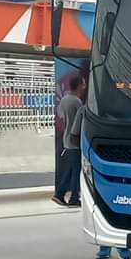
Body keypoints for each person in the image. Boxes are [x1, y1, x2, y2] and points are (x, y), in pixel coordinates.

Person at [51, 74, 85, 207]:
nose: (85, 86)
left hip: (67, 139)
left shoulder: (64, 100)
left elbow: (62, 116)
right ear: (79, 86)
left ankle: (60, 194)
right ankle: (74, 198)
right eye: (83, 83)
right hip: (75, 140)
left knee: (71, 169)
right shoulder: (77, 102)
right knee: (76, 171)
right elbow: (80, 122)